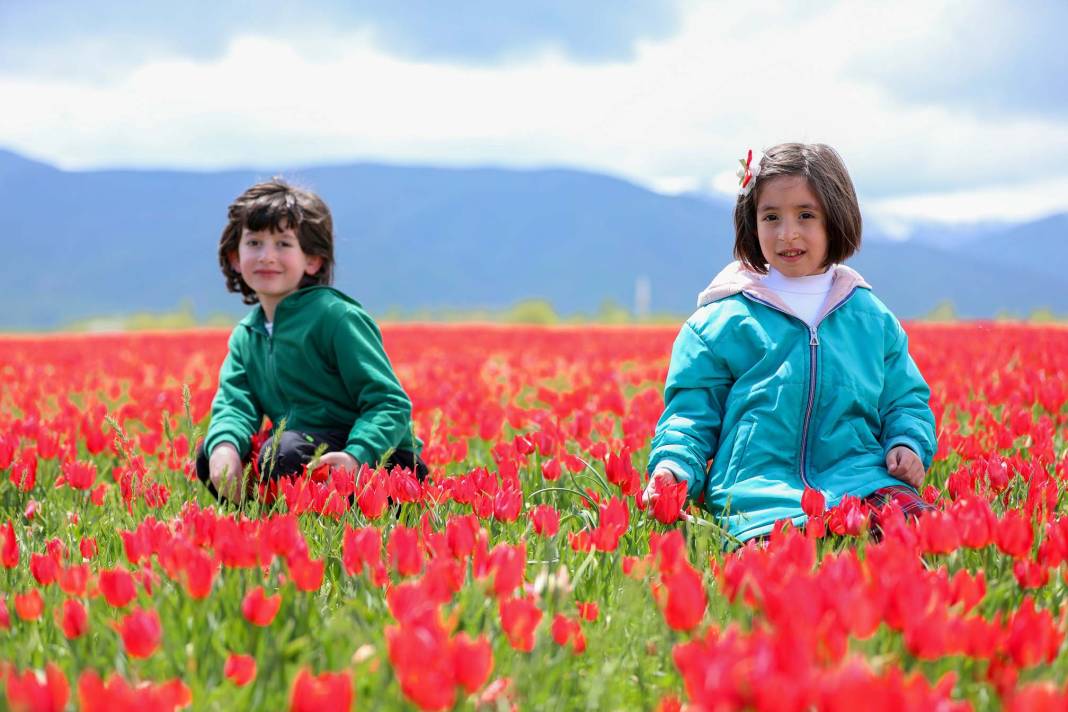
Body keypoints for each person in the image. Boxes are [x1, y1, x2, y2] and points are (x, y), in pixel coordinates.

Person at [644, 143, 936, 543]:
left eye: (805, 215)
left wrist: (907, 443)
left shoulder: (871, 319)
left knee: (923, 533)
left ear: (836, 217)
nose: (787, 233)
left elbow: (904, 400)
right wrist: (673, 469)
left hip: (861, 481)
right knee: (778, 569)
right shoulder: (720, 322)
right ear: (752, 223)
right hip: (759, 495)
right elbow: (691, 415)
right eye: (771, 217)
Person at [196, 179, 426, 501]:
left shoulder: (335, 318)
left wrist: (356, 455)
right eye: (254, 243)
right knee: (213, 454)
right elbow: (234, 406)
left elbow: (390, 402)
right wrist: (224, 446)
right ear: (235, 257)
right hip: (299, 450)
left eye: (283, 244)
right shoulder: (247, 336)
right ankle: (264, 523)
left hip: (379, 461)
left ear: (313, 260)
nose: (267, 256)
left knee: (283, 453)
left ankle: (319, 521)